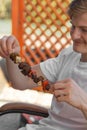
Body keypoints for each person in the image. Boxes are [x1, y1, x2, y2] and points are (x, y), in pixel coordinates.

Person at [0, 0, 87, 129]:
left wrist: (83, 103)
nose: (74, 36)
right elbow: (22, 82)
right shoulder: (69, 55)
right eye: (73, 26)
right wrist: (12, 54)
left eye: (84, 30)